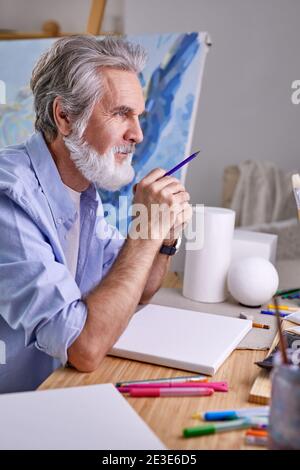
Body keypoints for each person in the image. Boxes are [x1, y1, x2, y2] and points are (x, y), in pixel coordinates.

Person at [0, 36, 192, 393]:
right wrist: (145, 233)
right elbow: (84, 348)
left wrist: (163, 234)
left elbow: (134, 290)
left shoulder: (83, 188)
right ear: (65, 116)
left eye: (138, 116)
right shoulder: (9, 198)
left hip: (57, 390)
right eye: (121, 113)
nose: (137, 134)